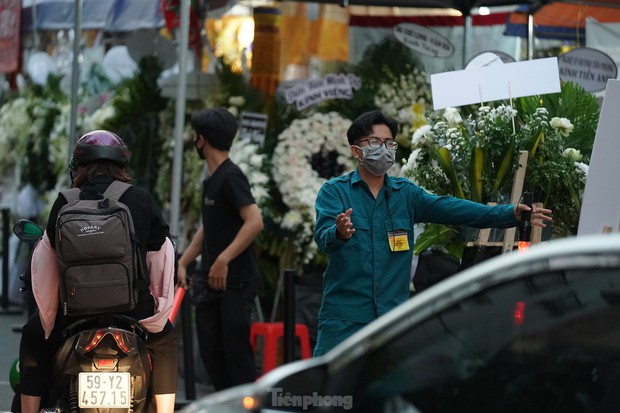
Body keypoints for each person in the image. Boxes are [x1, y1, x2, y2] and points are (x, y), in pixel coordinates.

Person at [313, 110, 552, 356]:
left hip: (392, 322)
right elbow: (323, 239)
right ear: (356, 151)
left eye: (389, 143)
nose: (383, 149)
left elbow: (454, 209)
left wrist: (508, 213)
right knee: (334, 391)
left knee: (389, 392)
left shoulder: (406, 194)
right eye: (374, 142)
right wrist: (339, 232)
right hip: (345, 320)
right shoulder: (335, 192)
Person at [18, 130, 177, 413]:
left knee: (33, 337)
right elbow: (162, 262)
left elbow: (46, 268)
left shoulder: (65, 202)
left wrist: (49, 318)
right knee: (165, 340)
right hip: (133, 315)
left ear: (78, 167)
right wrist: (154, 312)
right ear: (121, 166)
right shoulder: (140, 199)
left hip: (73, 316)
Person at [176, 108, 264, 391]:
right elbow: (209, 227)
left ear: (202, 140)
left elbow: (254, 221)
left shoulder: (231, 177)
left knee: (236, 359)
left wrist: (223, 259)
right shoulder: (212, 179)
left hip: (235, 283)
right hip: (212, 283)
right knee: (213, 355)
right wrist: (185, 261)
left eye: (195, 137)